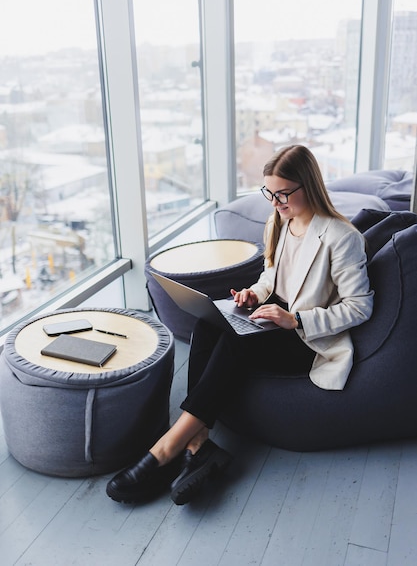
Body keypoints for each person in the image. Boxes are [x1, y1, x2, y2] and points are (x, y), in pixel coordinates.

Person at [106, 144, 374, 506]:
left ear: (308, 186)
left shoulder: (342, 238)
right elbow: (272, 276)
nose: (275, 203)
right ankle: (198, 443)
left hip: (307, 336)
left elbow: (360, 307)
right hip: (273, 316)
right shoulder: (281, 220)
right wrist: (252, 294)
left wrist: (294, 318)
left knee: (236, 340)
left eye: (283, 194)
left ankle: (168, 447)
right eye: (270, 193)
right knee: (207, 324)